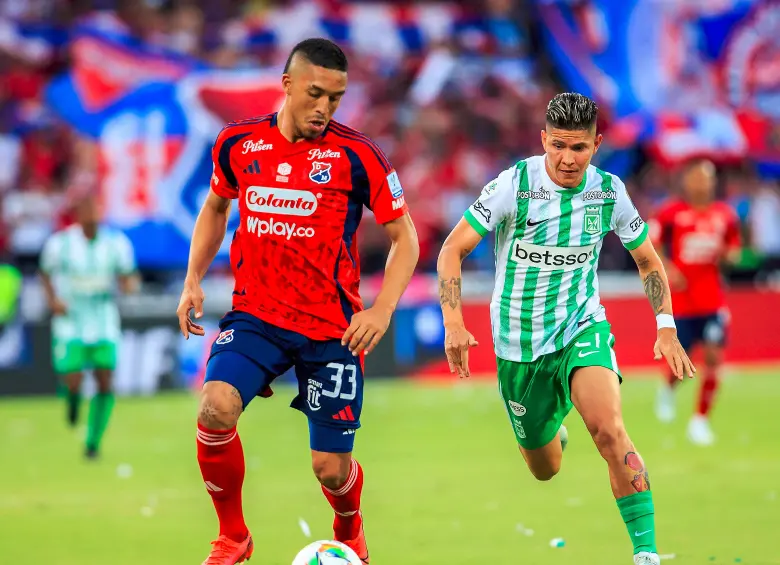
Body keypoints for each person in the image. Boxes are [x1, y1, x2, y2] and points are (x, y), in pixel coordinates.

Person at [177, 38, 419, 565]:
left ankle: (349, 528)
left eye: (335, 98)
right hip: (256, 317)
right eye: (315, 94)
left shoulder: (358, 155)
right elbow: (216, 207)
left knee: (330, 469)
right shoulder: (238, 143)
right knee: (215, 408)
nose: (325, 108)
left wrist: (380, 310)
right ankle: (233, 537)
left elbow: (406, 239)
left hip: (331, 330)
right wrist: (194, 278)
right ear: (286, 85)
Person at [437, 92, 695, 565]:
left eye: (578, 147)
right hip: (519, 346)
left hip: (582, 326)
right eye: (558, 145)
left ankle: (647, 554)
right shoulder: (514, 185)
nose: (567, 158)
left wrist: (666, 326)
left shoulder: (609, 192)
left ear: (596, 145)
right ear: (543, 141)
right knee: (544, 467)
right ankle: (554, 428)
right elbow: (451, 250)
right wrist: (453, 322)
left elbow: (648, 261)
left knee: (610, 430)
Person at [39, 193, 139, 458]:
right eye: (86, 210)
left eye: (95, 210)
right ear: (78, 214)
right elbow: (45, 273)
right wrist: (53, 301)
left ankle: (93, 442)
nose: (92, 215)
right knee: (73, 379)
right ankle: (72, 401)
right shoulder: (60, 243)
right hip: (71, 317)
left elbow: (128, 274)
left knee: (105, 379)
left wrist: (129, 285)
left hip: (103, 316)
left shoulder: (116, 243)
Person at [649, 160, 741, 445]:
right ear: (687, 181)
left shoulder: (724, 215)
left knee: (714, 358)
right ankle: (668, 388)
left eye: (708, 179)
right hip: (680, 303)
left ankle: (699, 420)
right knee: (682, 361)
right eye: (698, 178)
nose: (704, 184)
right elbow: (650, 246)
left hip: (712, 300)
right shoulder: (670, 214)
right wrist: (669, 268)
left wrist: (730, 256)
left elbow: (734, 247)